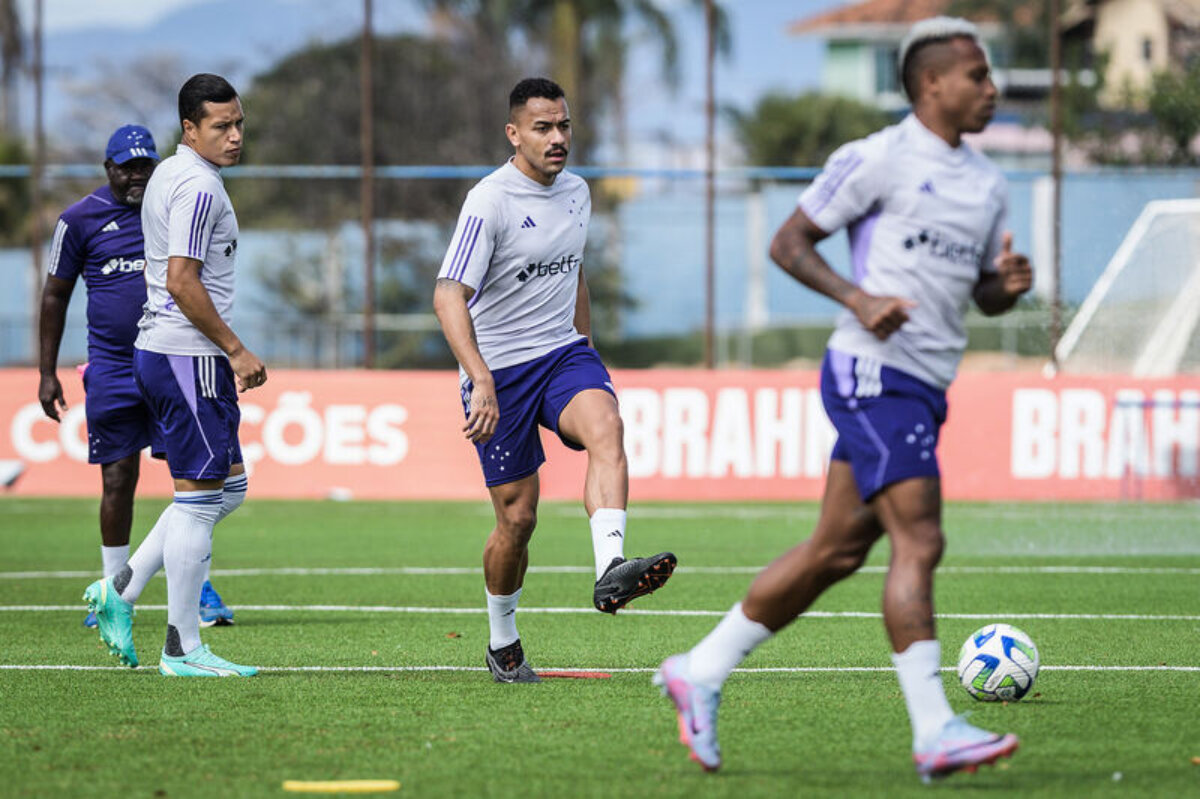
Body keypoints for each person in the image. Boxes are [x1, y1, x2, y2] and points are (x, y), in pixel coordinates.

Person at [655, 17, 1034, 780]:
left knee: (835, 551)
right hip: (871, 370)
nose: (992, 89)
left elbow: (978, 296)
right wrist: (858, 298)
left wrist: (1005, 288)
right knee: (920, 538)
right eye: (978, 76)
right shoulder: (878, 159)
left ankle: (699, 668)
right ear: (932, 84)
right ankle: (934, 728)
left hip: (926, 383)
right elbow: (789, 242)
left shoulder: (989, 185)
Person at [433, 77, 677, 683]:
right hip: (502, 371)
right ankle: (502, 640)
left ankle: (611, 569)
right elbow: (447, 295)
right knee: (517, 521)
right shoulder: (489, 201)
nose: (558, 137)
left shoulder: (577, 193)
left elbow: (574, 272)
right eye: (543, 128)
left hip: (563, 354)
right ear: (515, 134)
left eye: (564, 125)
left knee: (608, 427)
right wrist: (480, 380)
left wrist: (587, 347)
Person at [84, 73, 266, 677]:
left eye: (238, 122)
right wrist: (236, 350)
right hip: (188, 356)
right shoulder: (197, 188)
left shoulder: (173, 171)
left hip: (169, 353)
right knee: (199, 499)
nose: (235, 135)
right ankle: (183, 648)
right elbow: (184, 280)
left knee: (227, 488)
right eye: (221, 126)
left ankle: (122, 589)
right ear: (190, 129)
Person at [39, 124, 234, 629]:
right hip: (114, 367)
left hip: (172, 360)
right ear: (108, 169)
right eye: (127, 167)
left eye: (144, 165)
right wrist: (46, 372)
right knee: (120, 479)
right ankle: (113, 586)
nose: (137, 175)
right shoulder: (79, 220)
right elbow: (55, 295)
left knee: (195, 483)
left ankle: (189, 589)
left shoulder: (167, 206)